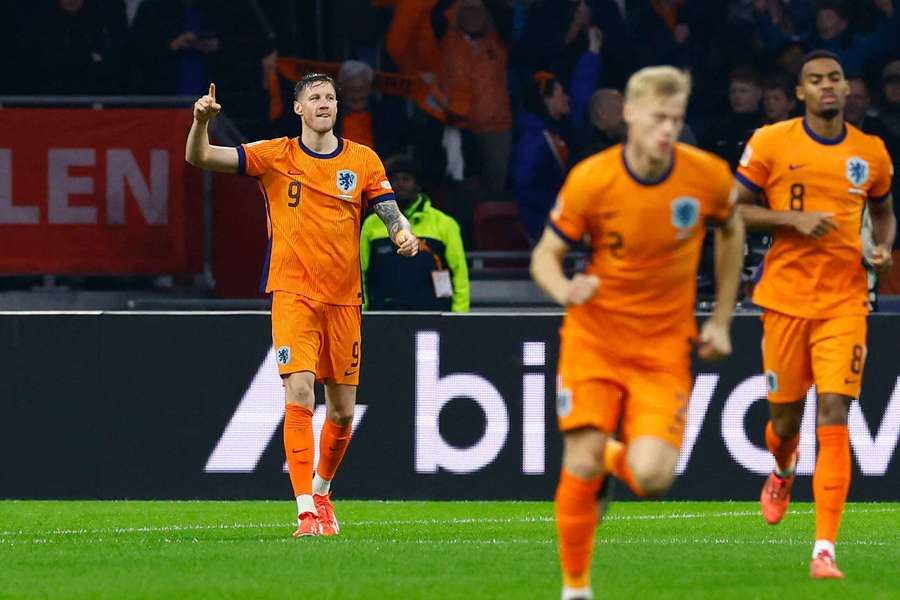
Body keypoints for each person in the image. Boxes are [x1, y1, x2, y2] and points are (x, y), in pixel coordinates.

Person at [531, 66, 745, 600]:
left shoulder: (706, 176)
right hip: (595, 337)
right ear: (629, 114)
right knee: (578, 457)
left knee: (652, 478)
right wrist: (563, 290)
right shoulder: (593, 178)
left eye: (676, 119)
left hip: (663, 347)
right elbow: (546, 255)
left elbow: (732, 228)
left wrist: (720, 318)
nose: (668, 130)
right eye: (657, 118)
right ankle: (575, 589)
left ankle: (606, 457)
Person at [185, 74, 419, 537]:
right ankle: (305, 511)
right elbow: (200, 157)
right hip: (292, 293)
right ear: (298, 109)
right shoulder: (275, 155)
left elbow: (387, 206)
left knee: (342, 412)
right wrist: (200, 123)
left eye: (330, 97)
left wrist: (401, 232)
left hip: (345, 299)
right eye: (315, 98)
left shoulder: (362, 159)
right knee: (298, 393)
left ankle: (323, 490)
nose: (325, 103)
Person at [734, 50, 896, 578]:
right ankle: (782, 467)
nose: (827, 86)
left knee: (834, 415)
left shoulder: (870, 153)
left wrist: (883, 248)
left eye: (835, 78)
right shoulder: (771, 141)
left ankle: (823, 549)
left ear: (847, 89)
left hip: (845, 303)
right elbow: (732, 209)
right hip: (783, 300)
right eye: (815, 80)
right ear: (800, 92)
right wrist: (790, 219)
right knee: (784, 421)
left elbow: (884, 213)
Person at [361, 155, 470, 312]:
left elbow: (459, 274)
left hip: (433, 317)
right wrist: (361, 314)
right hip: (383, 316)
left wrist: (459, 317)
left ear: (418, 185)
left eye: (406, 179)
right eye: (395, 180)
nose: (400, 185)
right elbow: (359, 273)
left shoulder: (445, 223)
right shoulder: (371, 224)